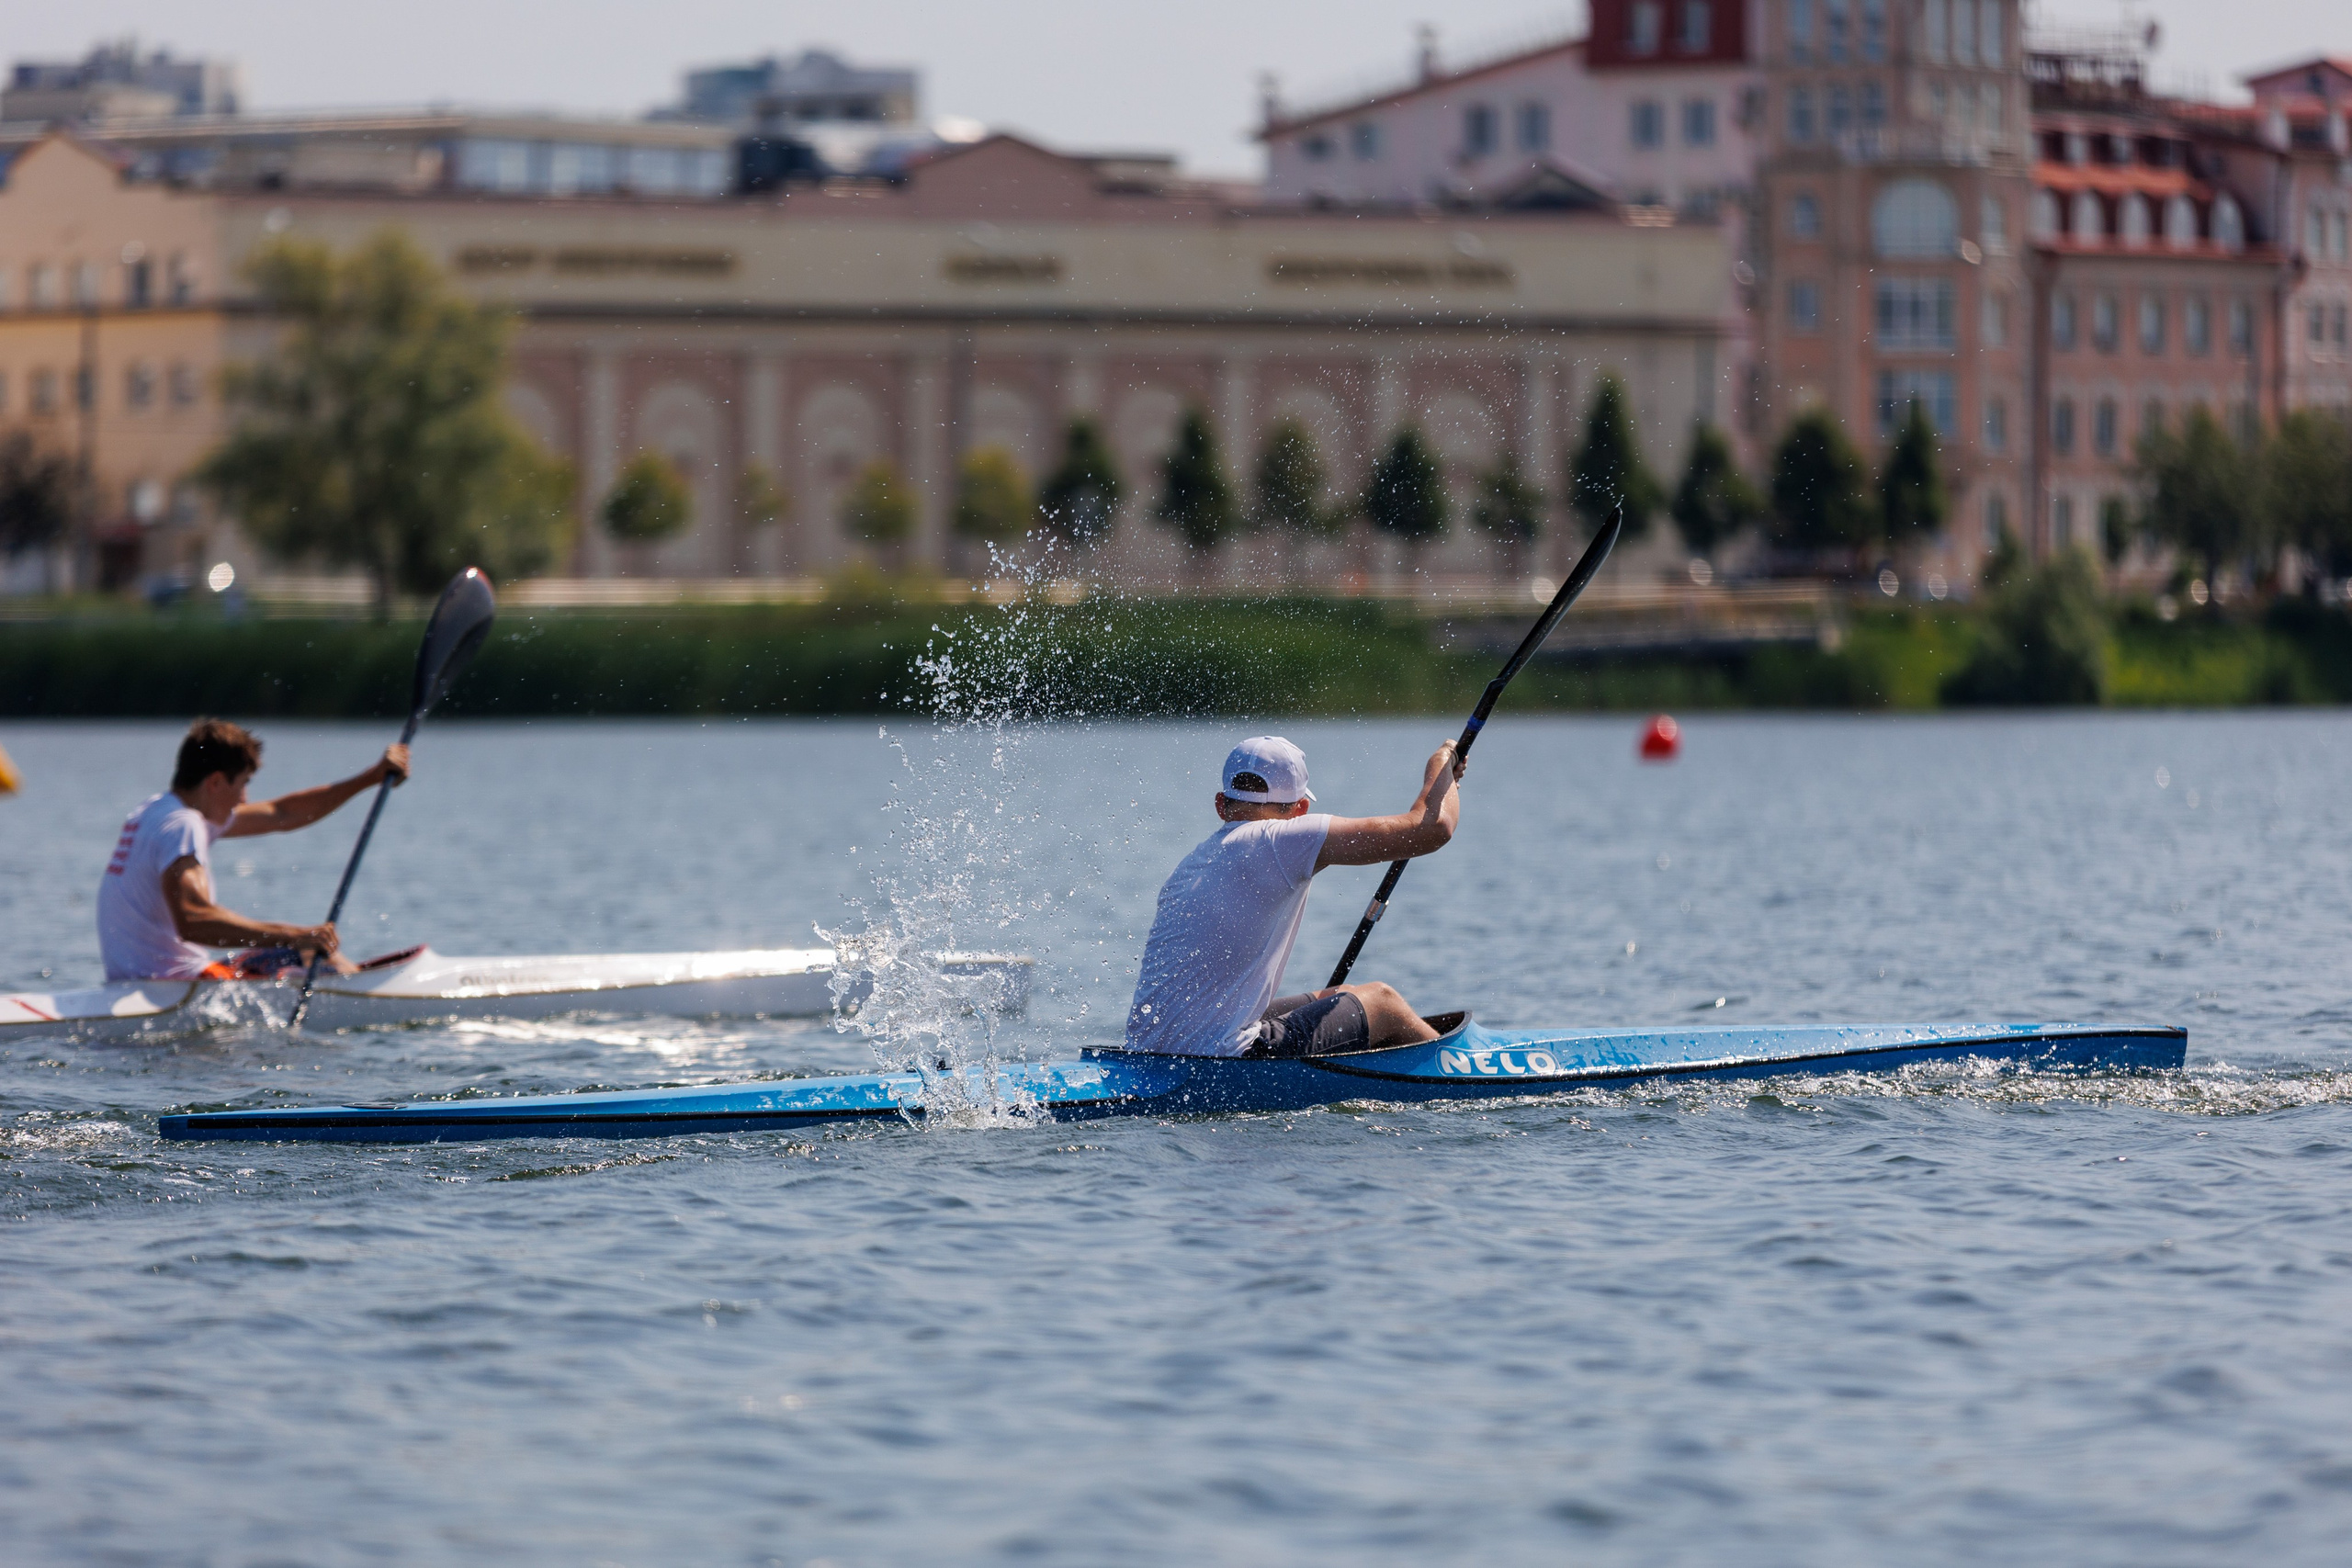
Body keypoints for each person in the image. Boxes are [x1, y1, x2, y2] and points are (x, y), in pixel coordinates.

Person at [1125, 734, 1464, 1057]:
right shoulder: (1281, 839)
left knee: (1340, 995)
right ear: (1301, 808)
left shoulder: (1192, 863)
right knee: (1383, 1001)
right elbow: (1433, 828)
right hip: (1223, 1061)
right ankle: (1459, 1069)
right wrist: (1440, 765)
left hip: (1148, 1053)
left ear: (1220, 805)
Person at [96, 717, 411, 982]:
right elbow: (194, 921)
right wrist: (296, 936)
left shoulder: (155, 811)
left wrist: (370, 778)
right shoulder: (184, 825)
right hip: (175, 983)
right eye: (243, 783)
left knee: (299, 949)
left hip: (134, 981)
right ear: (215, 783)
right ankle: (372, 995)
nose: (244, 798)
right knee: (311, 951)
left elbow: (281, 813)